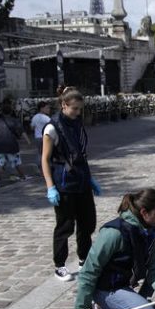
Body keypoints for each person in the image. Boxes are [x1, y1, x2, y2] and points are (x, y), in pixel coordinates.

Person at [42, 87, 101, 281]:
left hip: (81, 180)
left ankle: (85, 259)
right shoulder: (52, 128)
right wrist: (50, 186)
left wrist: (90, 178)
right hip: (64, 183)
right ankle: (60, 265)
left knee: (87, 223)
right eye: (74, 109)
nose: (77, 113)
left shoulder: (77, 124)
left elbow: (81, 155)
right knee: (65, 226)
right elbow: (45, 159)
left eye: (79, 109)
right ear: (63, 105)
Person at [0, 98, 32, 189]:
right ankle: (23, 176)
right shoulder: (14, 120)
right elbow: (22, 131)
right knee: (17, 162)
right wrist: (28, 141)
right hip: (11, 145)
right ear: (11, 111)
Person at [30, 101, 53, 176]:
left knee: (40, 152)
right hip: (45, 137)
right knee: (47, 153)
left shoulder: (35, 117)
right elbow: (52, 127)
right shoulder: (46, 118)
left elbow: (32, 127)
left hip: (37, 137)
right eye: (47, 108)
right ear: (41, 108)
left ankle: (37, 165)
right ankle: (45, 168)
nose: (48, 109)